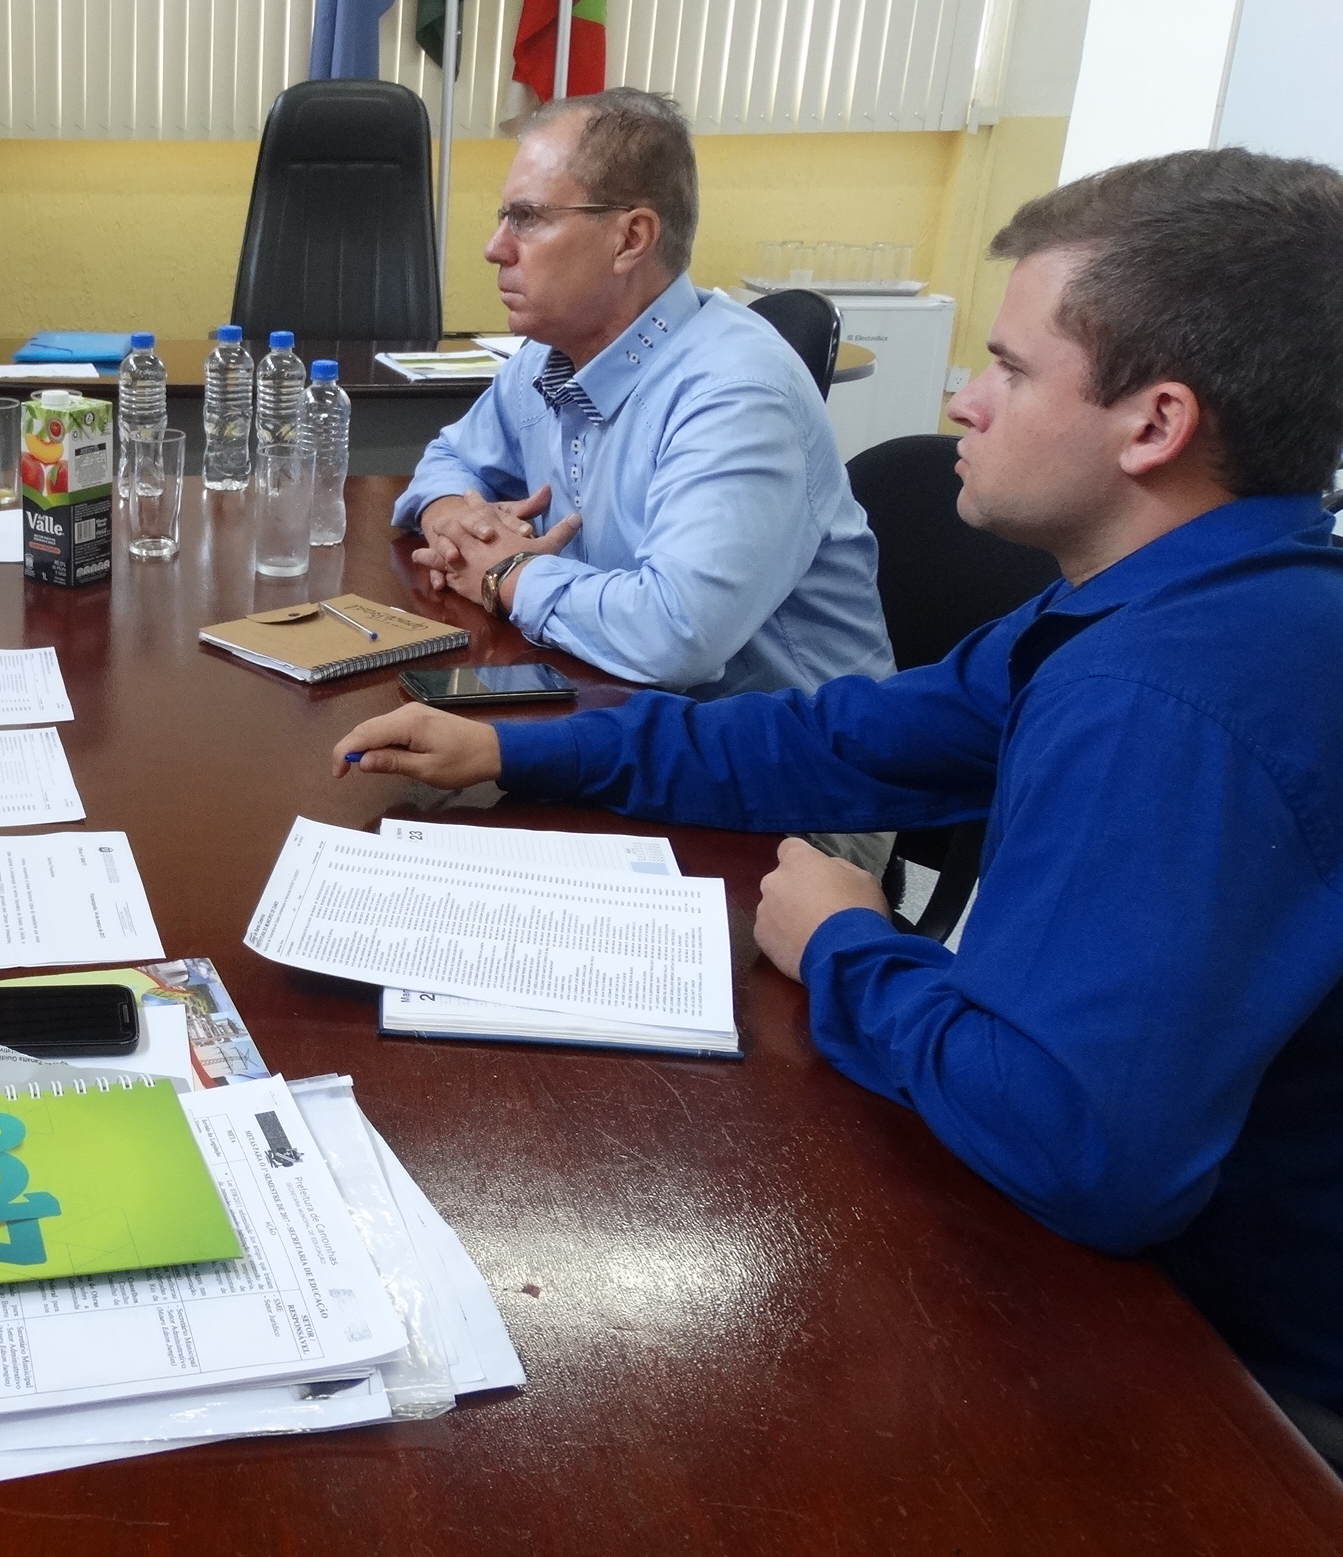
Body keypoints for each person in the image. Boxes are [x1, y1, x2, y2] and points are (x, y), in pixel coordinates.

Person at [335, 148, 1343, 1462]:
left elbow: (1084, 1153)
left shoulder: (1169, 699)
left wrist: (844, 944)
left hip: (1232, 1389)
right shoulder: (1177, 599)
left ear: (1152, 425)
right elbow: (845, 737)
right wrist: (526, 757)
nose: (963, 405)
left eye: (1010, 370)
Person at [399, 88, 891, 699]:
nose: (495, 248)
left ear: (631, 239)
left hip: (790, 761)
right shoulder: (543, 359)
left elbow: (676, 633)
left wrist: (505, 576)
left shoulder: (737, 394)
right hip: (625, 715)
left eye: (528, 218)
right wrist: (455, 521)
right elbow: (449, 460)